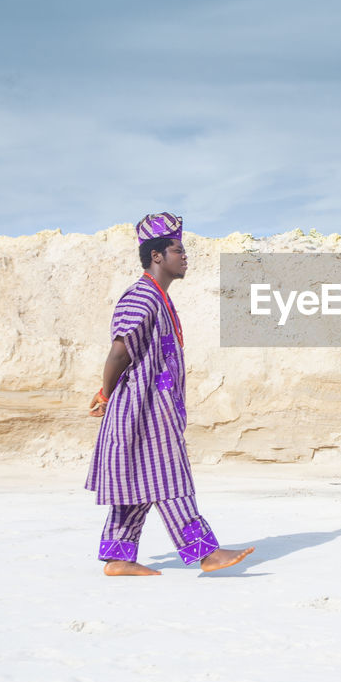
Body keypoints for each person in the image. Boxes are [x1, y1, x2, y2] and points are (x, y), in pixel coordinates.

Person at [85, 212, 254, 576]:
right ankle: (205, 553)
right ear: (157, 256)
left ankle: (118, 559)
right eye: (178, 250)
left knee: (141, 483)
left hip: (152, 408)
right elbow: (119, 351)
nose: (185, 256)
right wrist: (106, 393)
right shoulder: (142, 296)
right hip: (144, 411)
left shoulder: (158, 298)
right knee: (169, 477)